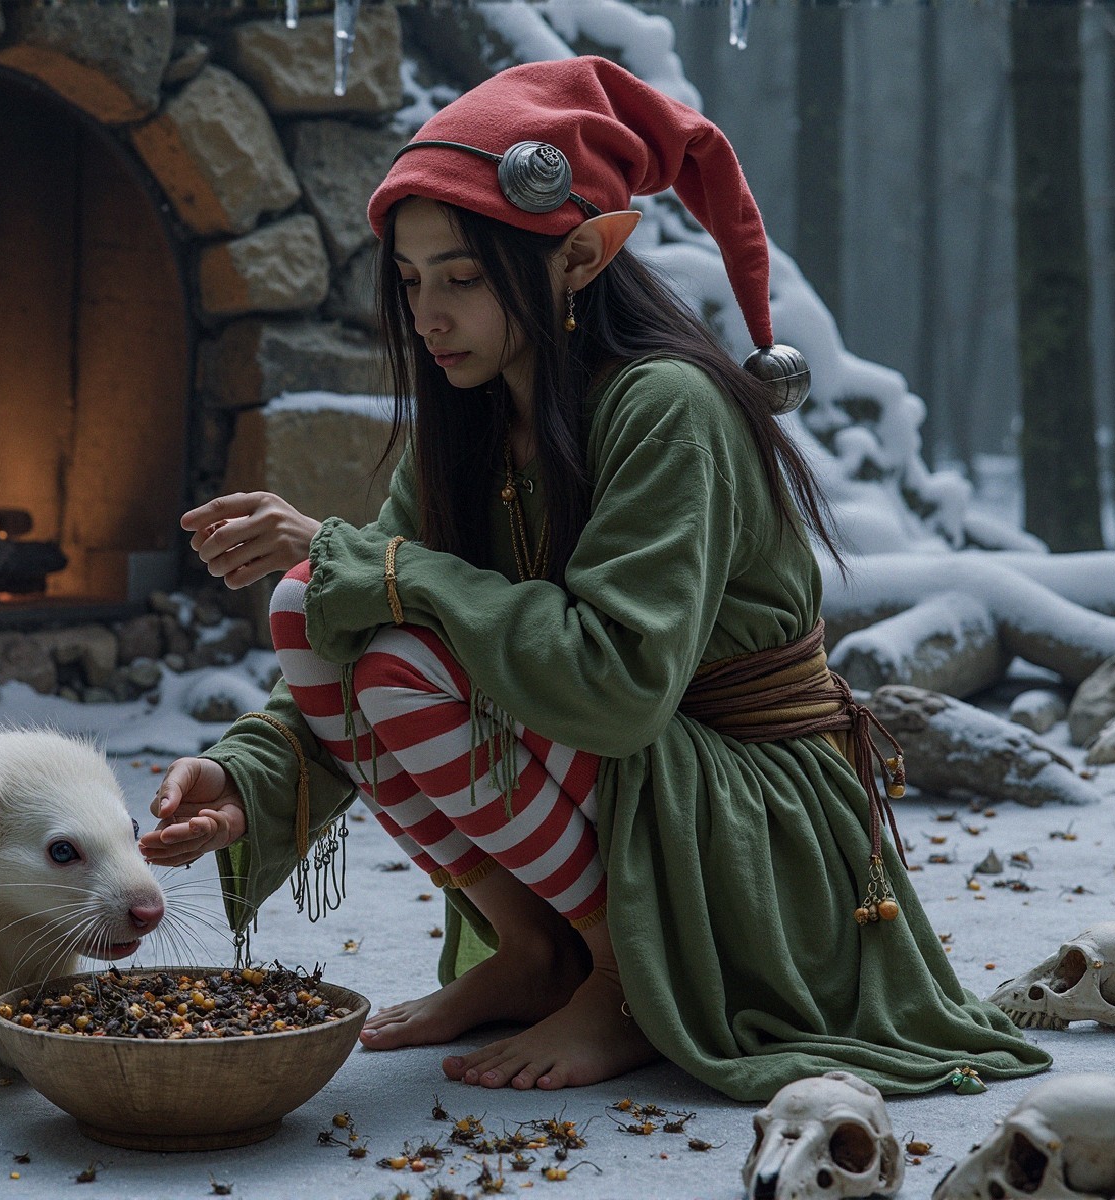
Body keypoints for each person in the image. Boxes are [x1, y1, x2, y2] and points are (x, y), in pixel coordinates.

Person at [140, 56, 1051, 1102]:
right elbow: (354, 614)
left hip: (740, 809)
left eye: (463, 278)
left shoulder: (667, 405)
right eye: (410, 279)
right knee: (312, 601)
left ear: (580, 255)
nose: (428, 315)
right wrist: (247, 782)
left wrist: (383, 568)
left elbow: (615, 687)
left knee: (373, 611)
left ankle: (623, 982)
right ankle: (531, 953)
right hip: (629, 786)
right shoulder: (474, 419)